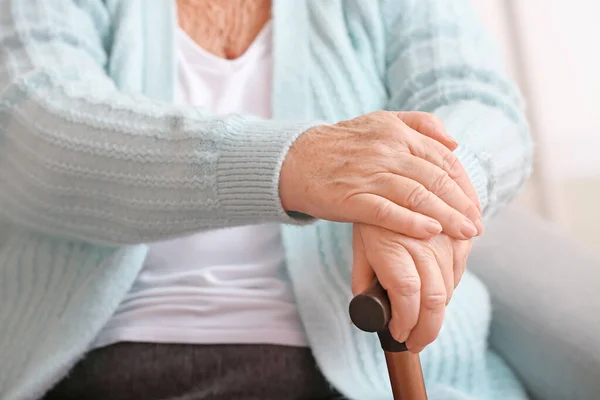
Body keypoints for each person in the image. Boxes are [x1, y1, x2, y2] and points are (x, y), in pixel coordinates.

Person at [0, 0, 532, 399]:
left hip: (362, 367)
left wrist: (414, 198)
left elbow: (480, 106)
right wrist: (301, 163)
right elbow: (31, 123)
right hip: (108, 364)